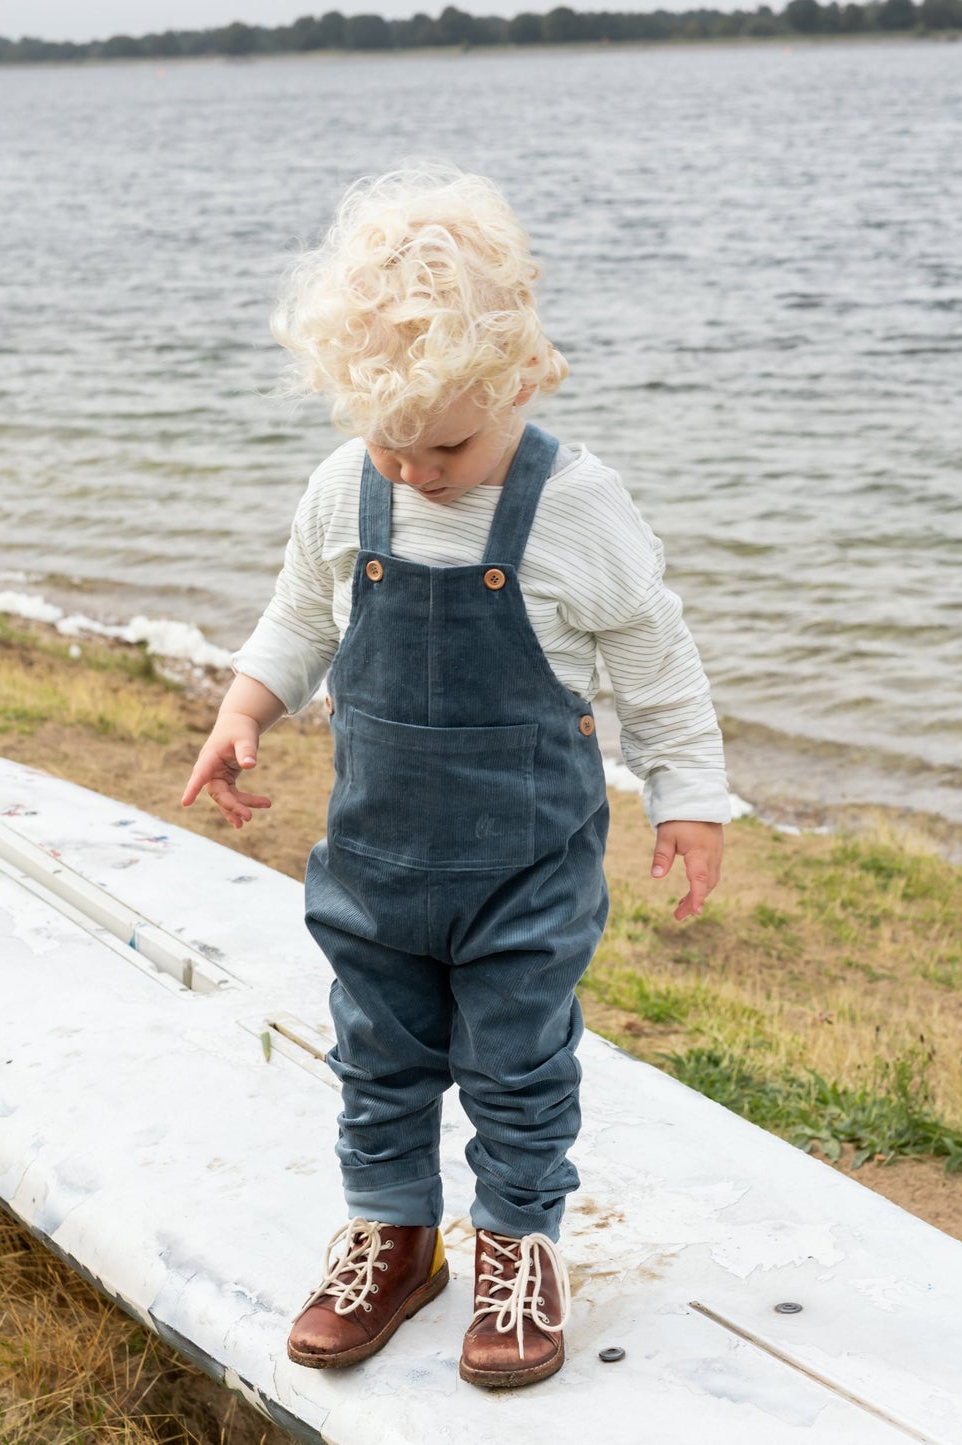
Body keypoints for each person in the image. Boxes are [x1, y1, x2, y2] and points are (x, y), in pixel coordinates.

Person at [180, 164, 729, 1390]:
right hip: (374, 865)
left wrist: (687, 794)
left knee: (516, 1062)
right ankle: (394, 1230)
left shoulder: (573, 509)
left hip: (524, 873)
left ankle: (518, 1241)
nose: (415, 472)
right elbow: (297, 617)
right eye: (389, 443)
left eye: (447, 445)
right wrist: (244, 706)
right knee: (374, 1054)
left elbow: (655, 659)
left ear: (522, 380)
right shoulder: (348, 490)